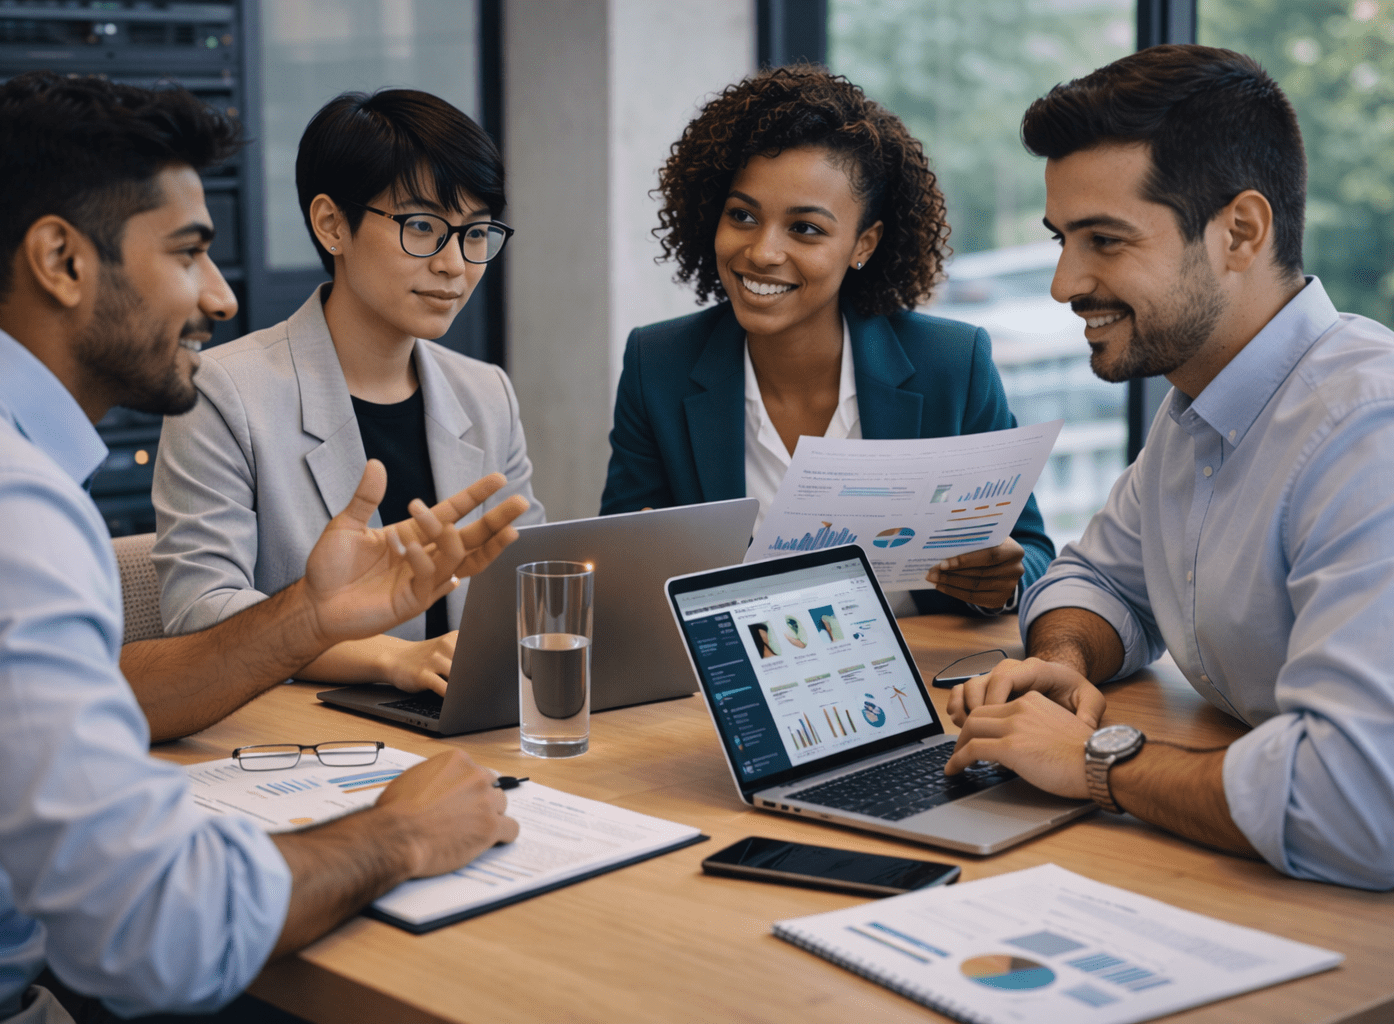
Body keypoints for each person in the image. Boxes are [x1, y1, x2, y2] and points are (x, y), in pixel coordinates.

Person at [0, 72, 530, 1023]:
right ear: (60, 259)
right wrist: (396, 836)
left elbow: (100, 702)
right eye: (188, 253)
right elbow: (157, 933)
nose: (219, 295)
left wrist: (312, 614)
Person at [944, 45, 1394, 891]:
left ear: (1240, 232)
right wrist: (1066, 660)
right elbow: (1100, 581)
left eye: (1104, 241)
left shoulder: (1368, 430)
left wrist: (1097, 761)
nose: (1063, 282)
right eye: (1061, 240)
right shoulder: (1200, 404)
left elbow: (1358, 804)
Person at [600, 65, 1055, 616]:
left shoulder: (952, 364)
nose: (763, 252)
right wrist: (638, 565)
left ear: (863, 243)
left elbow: (1032, 554)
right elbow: (619, 568)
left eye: (805, 229)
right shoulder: (660, 365)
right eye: (742, 215)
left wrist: (1001, 577)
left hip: (920, 672)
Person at [153, 89, 544, 697]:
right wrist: (390, 657)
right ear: (332, 224)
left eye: (475, 234)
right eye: (423, 227)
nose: (455, 265)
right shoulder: (225, 393)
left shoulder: (485, 392)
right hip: (307, 738)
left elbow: (529, 585)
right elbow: (199, 612)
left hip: (473, 723)